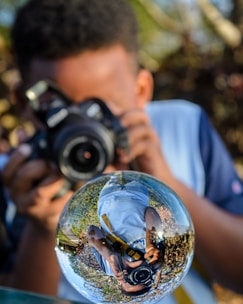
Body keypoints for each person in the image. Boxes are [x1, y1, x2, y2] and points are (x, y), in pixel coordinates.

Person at [0, 0, 243, 303]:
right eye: (59, 110)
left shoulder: (181, 128)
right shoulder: (14, 180)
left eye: (103, 108)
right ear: (25, 104)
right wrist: (40, 228)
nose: (85, 129)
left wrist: (167, 182)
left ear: (141, 90)